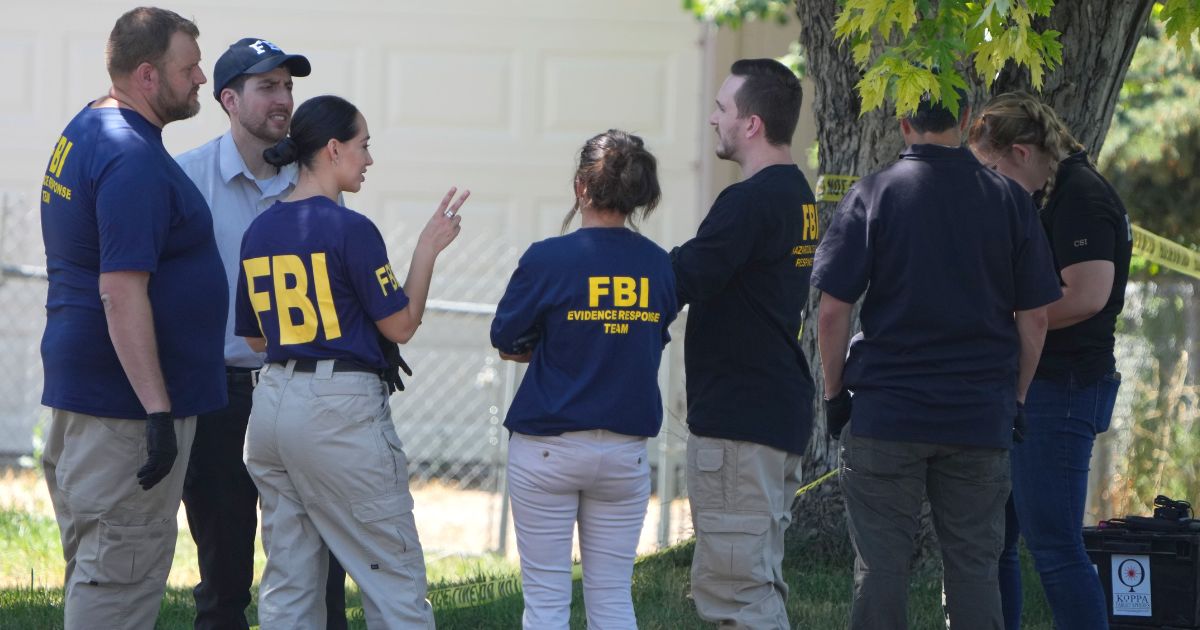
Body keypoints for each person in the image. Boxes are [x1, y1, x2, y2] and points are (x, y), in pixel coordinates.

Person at [811, 91, 1063, 629]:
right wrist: (1015, 399)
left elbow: (833, 312)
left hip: (887, 413)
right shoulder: (1009, 201)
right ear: (967, 119)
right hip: (978, 415)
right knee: (974, 568)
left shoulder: (872, 194)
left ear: (903, 124)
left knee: (880, 569)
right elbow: (1035, 318)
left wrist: (834, 395)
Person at [235, 94, 467, 629]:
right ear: (333, 149)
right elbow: (401, 325)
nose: (368, 159)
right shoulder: (350, 228)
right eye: (363, 146)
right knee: (393, 579)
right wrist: (428, 249)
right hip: (338, 412)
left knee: (290, 582)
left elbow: (253, 340)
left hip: (271, 407)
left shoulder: (259, 230)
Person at [38, 7, 227, 629]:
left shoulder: (88, 127)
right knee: (117, 583)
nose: (201, 78)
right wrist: (156, 413)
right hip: (122, 416)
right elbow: (120, 291)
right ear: (147, 75)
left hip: (91, 401)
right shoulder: (131, 158)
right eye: (189, 67)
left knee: (100, 568)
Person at [175, 37, 350, 630]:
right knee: (223, 575)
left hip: (302, 391)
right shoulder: (185, 179)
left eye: (288, 86)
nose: (284, 99)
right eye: (267, 86)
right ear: (228, 99)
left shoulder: (312, 183)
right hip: (218, 394)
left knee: (319, 566)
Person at [491, 129, 676, 629]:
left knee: (547, 603)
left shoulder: (547, 258)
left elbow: (507, 338)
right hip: (624, 450)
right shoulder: (659, 266)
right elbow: (645, 342)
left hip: (548, 445)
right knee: (613, 599)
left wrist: (549, 346)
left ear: (581, 186)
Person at [969, 92, 1132, 630]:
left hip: (1062, 388)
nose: (989, 181)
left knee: (1055, 548)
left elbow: (1086, 294)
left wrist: (1002, 318)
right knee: (995, 542)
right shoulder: (1041, 194)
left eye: (992, 168)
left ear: (1020, 151)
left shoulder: (1082, 196)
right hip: (1025, 385)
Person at [670, 58, 819, 628]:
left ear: (751, 124)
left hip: (740, 420)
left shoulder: (750, 200)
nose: (712, 120)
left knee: (735, 592)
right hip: (773, 411)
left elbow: (684, 276)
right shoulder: (795, 194)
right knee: (757, 578)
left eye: (721, 108)